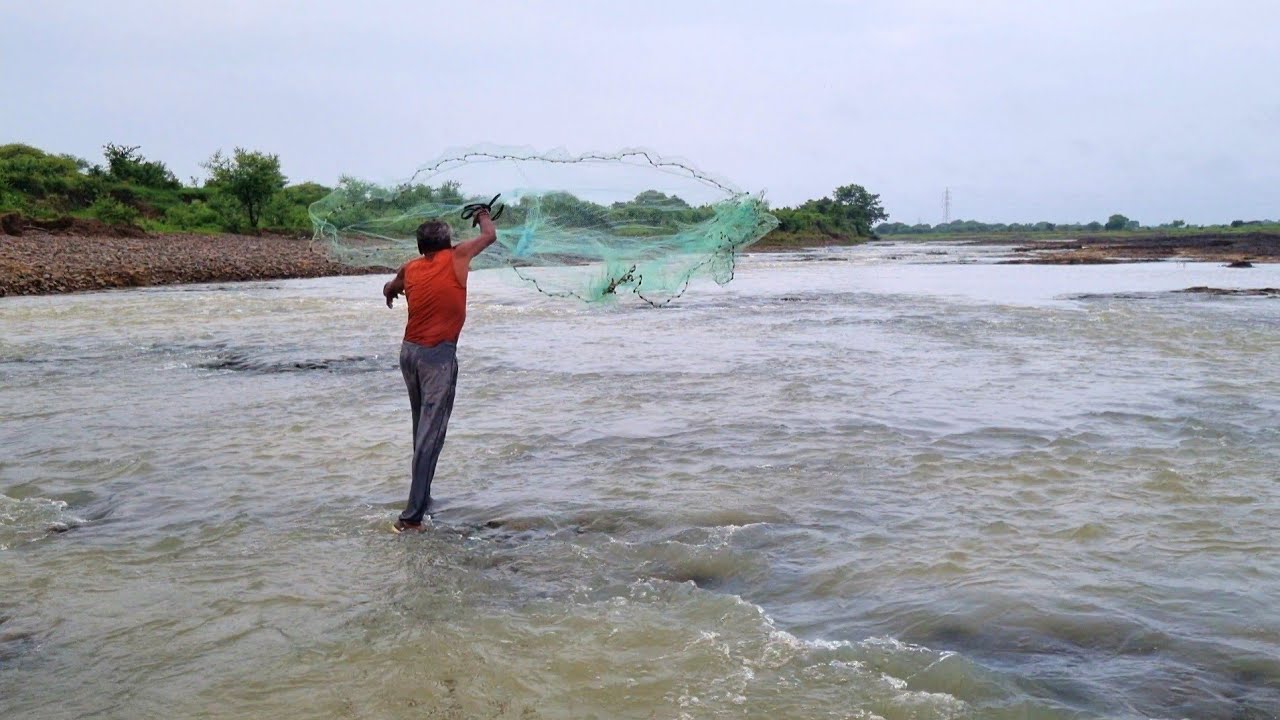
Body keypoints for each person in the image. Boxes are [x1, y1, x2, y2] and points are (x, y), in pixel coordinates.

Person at [382, 208, 497, 533]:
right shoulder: (458, 256)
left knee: (422, 430)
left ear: (421, 248)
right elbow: (490, 236)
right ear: (447, 244)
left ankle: (424, 499)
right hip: (437, 357)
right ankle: (412, 518)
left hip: (410, 354)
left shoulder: (411, 267)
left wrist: (391, 292)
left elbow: (391, 286)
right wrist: (483, 215)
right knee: (430, 436)